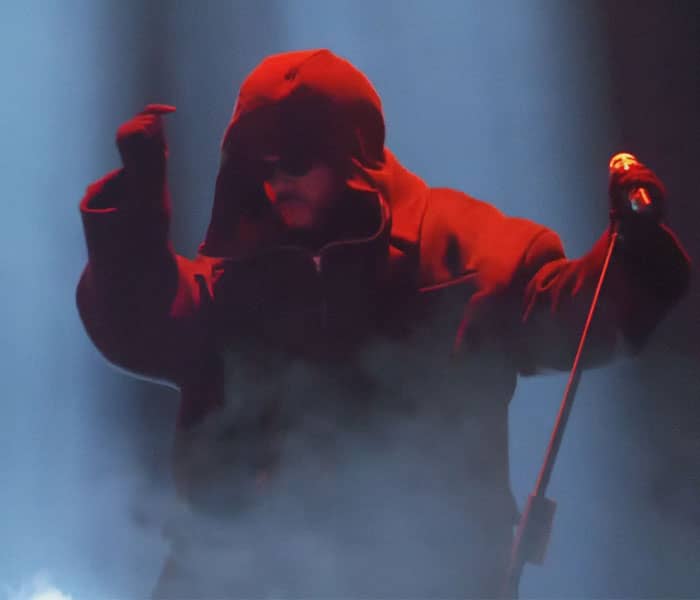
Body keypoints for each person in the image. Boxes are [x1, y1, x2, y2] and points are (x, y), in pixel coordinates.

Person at [76, 49, 691, 597]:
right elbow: (139, 324)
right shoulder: (232, 279)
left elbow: (573, 319)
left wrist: (633, 252)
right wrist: (134, 217)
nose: (277, 181)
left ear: (353, 154)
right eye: (260, 164)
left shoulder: (463, 253)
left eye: (296, 159)